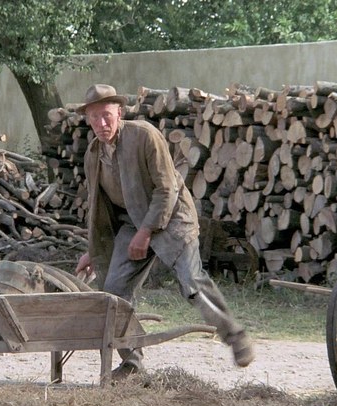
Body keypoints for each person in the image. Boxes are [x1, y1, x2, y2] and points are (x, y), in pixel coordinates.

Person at [74, 84, 255, 379]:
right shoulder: (93, 154)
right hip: (133, 223)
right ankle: (133, 362)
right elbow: (100, 208)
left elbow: (167, 188)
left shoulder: (144, 135)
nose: (101, 123)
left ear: (119, 112)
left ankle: (235, 337)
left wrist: (147, 231)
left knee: (192, 282)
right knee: (114, 293)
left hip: (172, 218)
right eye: (94, 117)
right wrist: (94, 251)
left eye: (106, 115)